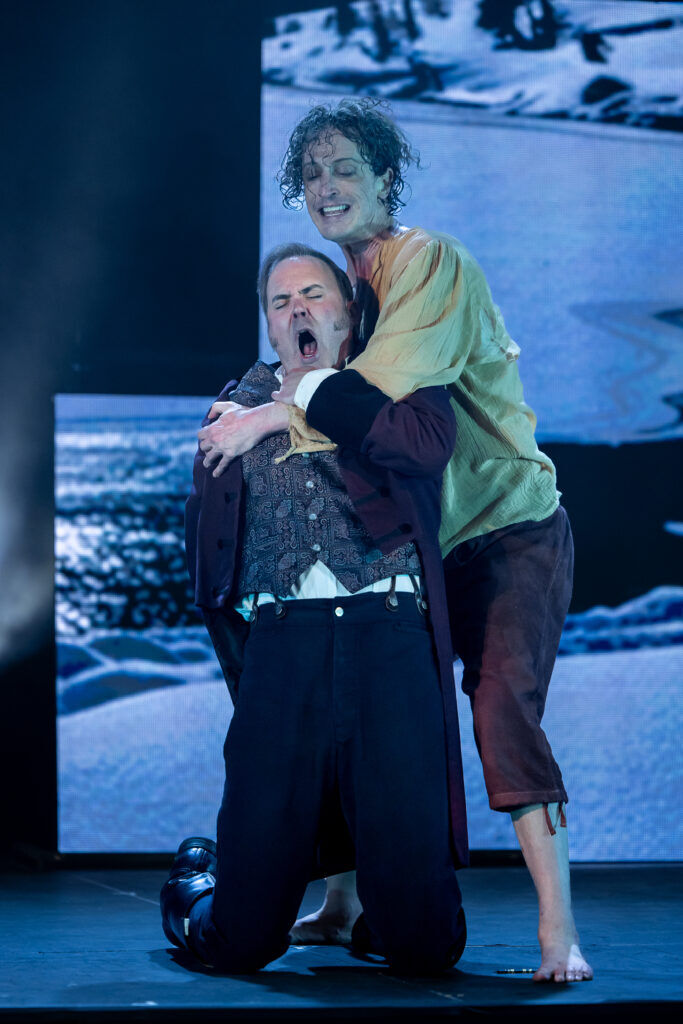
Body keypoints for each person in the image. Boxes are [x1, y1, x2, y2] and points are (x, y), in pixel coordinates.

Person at [198, 99, 593, 983]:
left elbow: (381, 403)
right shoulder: (354, 286)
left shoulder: (426, 262)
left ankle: (557, 929)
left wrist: (269, 412)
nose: (327, 186)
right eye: (311, 174)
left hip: (503, 524)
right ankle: (343, 903)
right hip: (429, 537)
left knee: (499, 710)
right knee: (357, 714)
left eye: (345, 168)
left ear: (385, 177)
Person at [160, 244, 467, 974]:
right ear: (270, 325)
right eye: (281, 301)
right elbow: (209, 533)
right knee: (239, 942)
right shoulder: (233, 403)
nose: (297, 309)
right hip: (283, 644)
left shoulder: (394, 384)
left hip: (386, 633)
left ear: (349, 312)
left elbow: (419, 450)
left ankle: (373, 912)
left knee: (425, 947)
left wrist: (283, 414)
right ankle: (197, 885)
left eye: (313, 294)